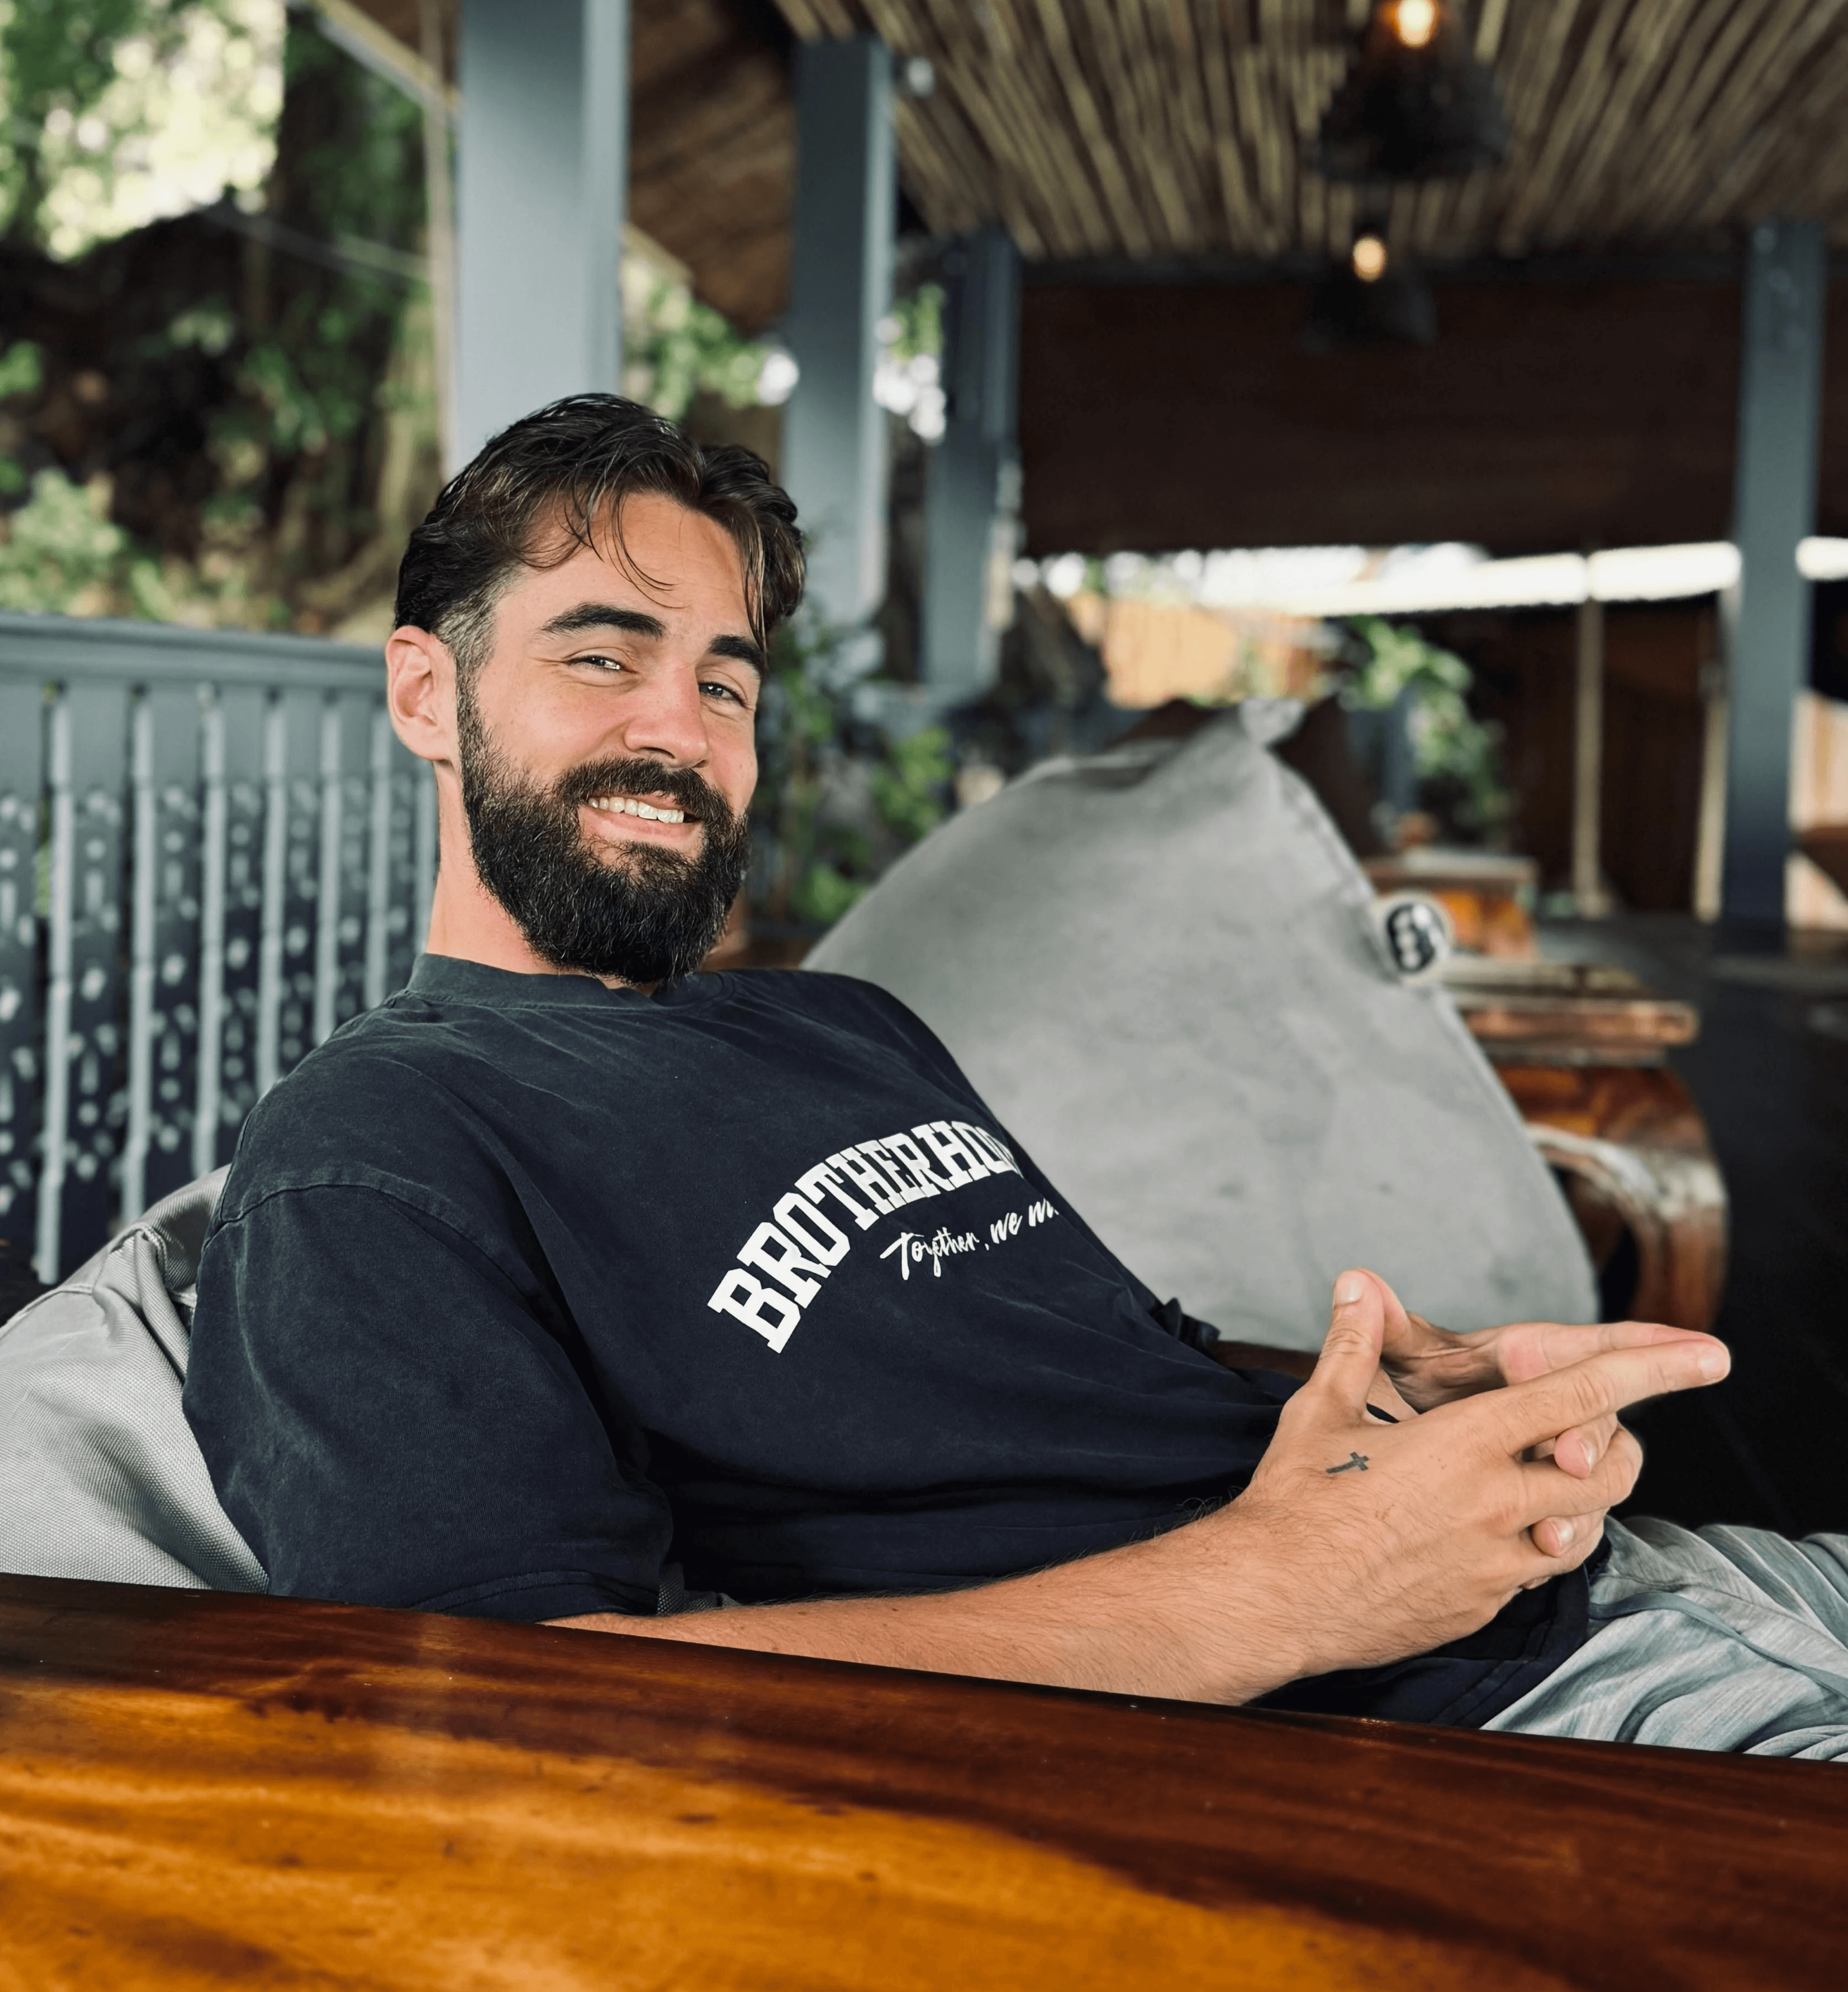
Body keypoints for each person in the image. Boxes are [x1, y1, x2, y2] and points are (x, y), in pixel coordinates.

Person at [184, 397, 1848, 1754]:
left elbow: (1088, 1373)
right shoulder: (377, 1152)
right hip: (1464, 1721)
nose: (681, 729)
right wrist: (1290, 1588)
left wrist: (1420, 1394)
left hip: (1625, 1572)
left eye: (725, 680)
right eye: (601, 657)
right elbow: (506, 1723)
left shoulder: (842, 1026)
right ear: (426, 689)